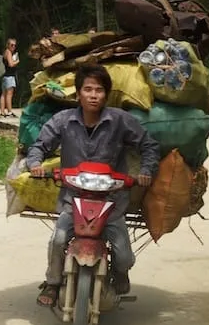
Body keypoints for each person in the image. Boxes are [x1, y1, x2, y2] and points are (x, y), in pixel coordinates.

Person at [27, 64, 160, 307]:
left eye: (99, 90)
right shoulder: (63, 121)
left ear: (106, 95)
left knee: (124, 256)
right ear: (78, 94)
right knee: (58, 240)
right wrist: (35, 163)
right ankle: (53, 283)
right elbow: (39, 146)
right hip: (73, 199)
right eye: (87, 89)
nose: (93, 95)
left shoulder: (120, 121)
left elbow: (148, 145)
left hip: (111, 201)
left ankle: (119, 274)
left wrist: (145, 171)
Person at [0, 38, 19, 118]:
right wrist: (17, 61)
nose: (13, 47)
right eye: (11, 45)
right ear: (7, 45)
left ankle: (2, 112)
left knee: (3, 94)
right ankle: (10, 112)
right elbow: (11, 64)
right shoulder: (8, 52)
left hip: (5, 76)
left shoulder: (6, 52)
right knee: (9, 94)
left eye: (14, 45)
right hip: (9, 76)